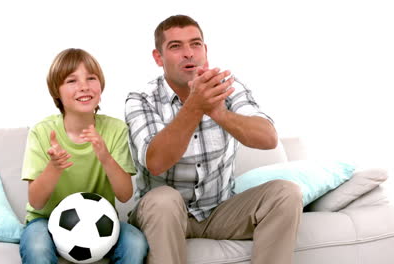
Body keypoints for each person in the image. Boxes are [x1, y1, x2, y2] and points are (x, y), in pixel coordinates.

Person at [125, 15, 302, 264]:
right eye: (176, 46)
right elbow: (155, 161)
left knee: (286, 192)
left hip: (219, 211)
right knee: (164, 199)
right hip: (163, 215)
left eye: (195, 44)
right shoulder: (141, 99)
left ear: (205, 50)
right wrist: (195, 107)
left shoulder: (227, 87)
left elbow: (268, 138)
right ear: (158, 57)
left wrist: (218, 112)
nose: (188, 53)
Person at [19, 48, 148, 264]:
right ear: (56, 92)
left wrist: (105, 157)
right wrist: (55, 167)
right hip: (46, 221)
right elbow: (36, 201)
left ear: (101, 85)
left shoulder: (115, 129)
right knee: (37, 247)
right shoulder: (41, 132)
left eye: (91, 78)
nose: (84, 86)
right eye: (72, 80)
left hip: (101, 224)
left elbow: (125, 195)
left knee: (135, 243)